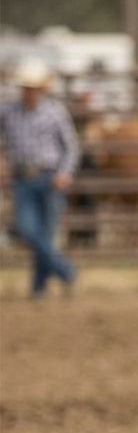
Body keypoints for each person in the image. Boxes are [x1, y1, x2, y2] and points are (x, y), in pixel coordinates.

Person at [0, 58, 79, 297]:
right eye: (26, 87)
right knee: (28, 230)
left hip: (50, 178)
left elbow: (71, 146)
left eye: (34, 88)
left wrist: (64, 172)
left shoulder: (54, 112)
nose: (30, 92)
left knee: (44, 233)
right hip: (22, 178)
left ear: (42, 89)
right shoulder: (7, 111)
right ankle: (64, 269)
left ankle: (38, 288)